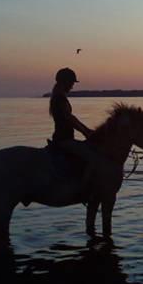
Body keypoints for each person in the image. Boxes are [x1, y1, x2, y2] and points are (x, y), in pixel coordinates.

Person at [49, 67, 97, 195]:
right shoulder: (59, 98)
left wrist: (86, 130)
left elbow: (71, 118)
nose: (72, 86)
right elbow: (69, 118)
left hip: (64, 138)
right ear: (65, 82)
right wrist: (86, 132)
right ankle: (84, 189)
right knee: (92, 157)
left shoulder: (58, 97)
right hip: (64, 140)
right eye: (71, 83)